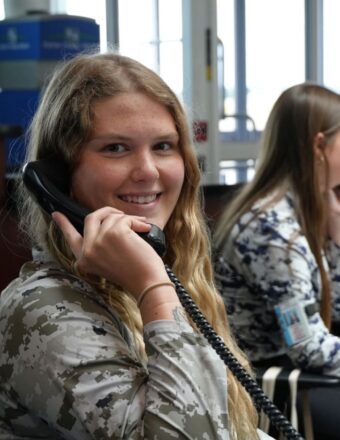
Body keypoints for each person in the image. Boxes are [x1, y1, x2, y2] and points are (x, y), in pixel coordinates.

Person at [0, 51, 273, 439]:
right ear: (58, 178)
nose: (148, 171)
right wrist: (153, 286)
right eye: (115, 148)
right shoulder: (45, 310)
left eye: (163, 146)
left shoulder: (169, 273)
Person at [213, 83, 340, 439]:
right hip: (264, 391)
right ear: (319, 146)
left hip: (288, 377)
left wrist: (337, 237)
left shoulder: (304, 210)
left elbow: (337, 308)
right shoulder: (272, 231)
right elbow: (308, 347)